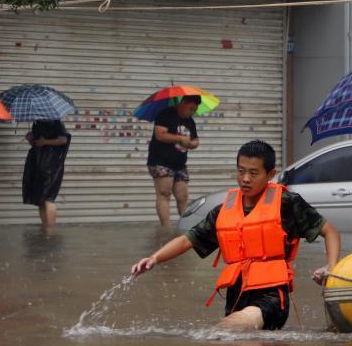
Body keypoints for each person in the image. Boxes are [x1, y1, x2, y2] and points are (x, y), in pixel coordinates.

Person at [131, 140, 341, 331]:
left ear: (270, 175)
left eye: (253, 173)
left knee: (224, 332)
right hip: (236, 298)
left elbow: (329, 231)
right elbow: (188, 240)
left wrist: (330, 267)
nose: (246, 179)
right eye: (241, 171)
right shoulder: (223, 211)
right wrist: (154, 258)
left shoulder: (287, 204)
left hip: (272, 298)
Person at [147, 95, 201, 227]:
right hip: (161, 161)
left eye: (194, 109)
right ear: (183, 102)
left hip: (180, 164)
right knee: (164, 194)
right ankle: (166, 228)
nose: (192, 112)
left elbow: (196, 140)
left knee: (182, 197)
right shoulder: (166, 114)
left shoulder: (190, 121)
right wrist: (180, 139)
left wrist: (192, 144)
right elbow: (160, 134)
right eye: (191, 108)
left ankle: (187, 226)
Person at [22, 119, 71, 227]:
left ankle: (51, 231)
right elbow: (37, 143)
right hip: (38, 164)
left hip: (51, 165)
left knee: (48, 198)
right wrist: (31, 138)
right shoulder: (37, 122)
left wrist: (45, 141)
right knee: (40, 199)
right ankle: (45, 227)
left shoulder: (55, 122)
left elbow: (63, 140)